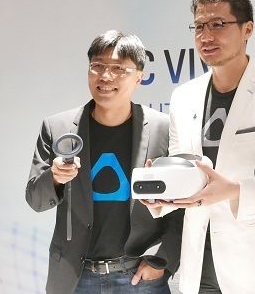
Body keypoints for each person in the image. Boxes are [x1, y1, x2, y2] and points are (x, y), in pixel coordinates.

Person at [144, 0, 255, 294]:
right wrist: (163, 193)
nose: (206, 36)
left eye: (218, 24)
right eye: (199, 26)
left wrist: (236, 192)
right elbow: (186, 174)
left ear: (247, 29)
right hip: (199, 267)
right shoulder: (183, 97)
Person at [26, 30, 183, 294]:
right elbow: (35, 200)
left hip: (140, 277)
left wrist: (162, 261)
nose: (105, 76)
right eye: (97, 66)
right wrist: (54, 179)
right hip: (77, 277)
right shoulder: (58, 127)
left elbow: (182, 206)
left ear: (139, 76)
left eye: (119, 68)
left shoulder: (163, 129)